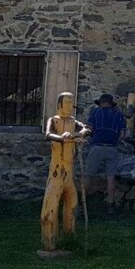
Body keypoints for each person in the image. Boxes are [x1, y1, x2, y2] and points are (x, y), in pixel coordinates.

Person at [40, 92, 90, 255]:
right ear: (59, 105)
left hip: (69, 173)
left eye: (71, 103)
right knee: (50, 209)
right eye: (66, 103)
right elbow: (48, 135)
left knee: (72, 205)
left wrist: (77, 135)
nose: (69, 106)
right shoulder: (53, 120)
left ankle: (69, 238)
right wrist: (64, 138)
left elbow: (86, 129)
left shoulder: (73, 121)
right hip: (56, 172)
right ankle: (49, 242)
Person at [86, 93, 127, 214]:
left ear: (101, 103)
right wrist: (114, 141)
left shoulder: (96, 112)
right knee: (111, 177)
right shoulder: (119, 115)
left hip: (97, 147)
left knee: (89, 175)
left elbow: (89, 129)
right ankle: (110, 205)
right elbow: (122, 135)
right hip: (111, 148)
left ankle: (81, 202)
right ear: (111, 103)